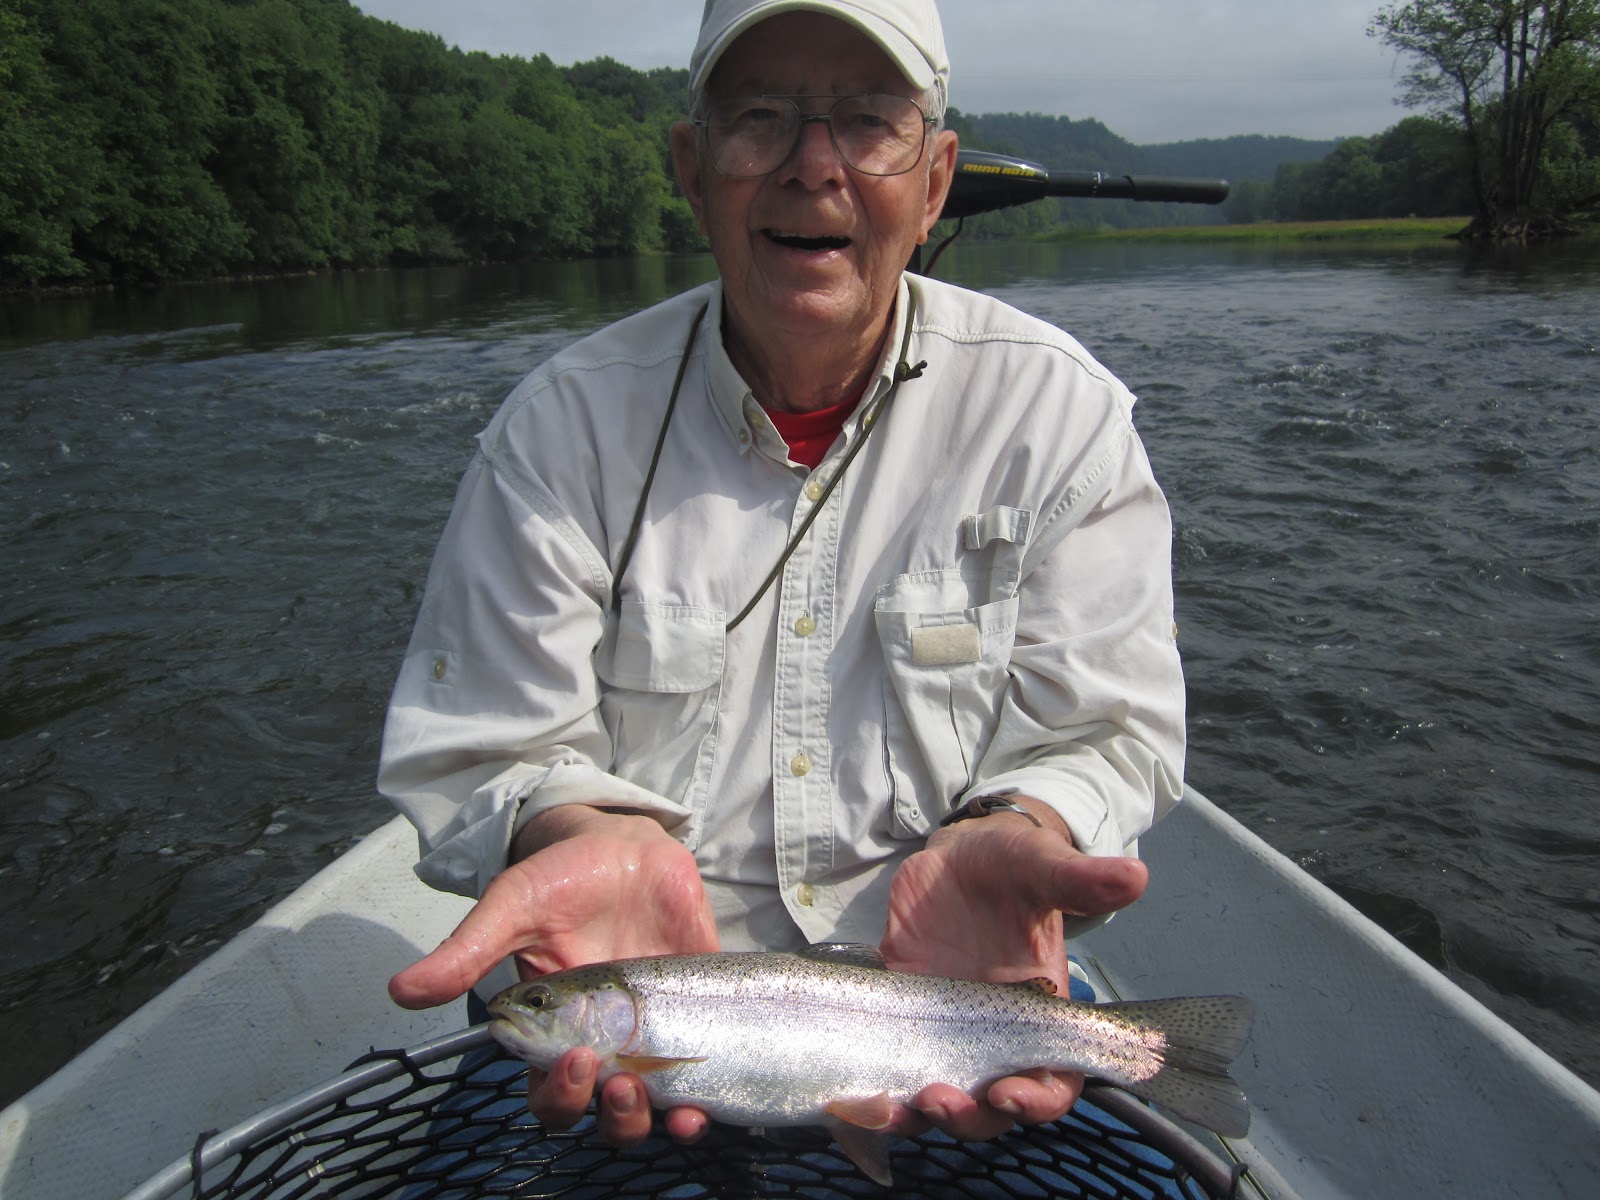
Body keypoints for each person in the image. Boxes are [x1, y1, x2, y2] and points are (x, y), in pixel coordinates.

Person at [378, 0, 1184, 1152]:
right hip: (638, 999)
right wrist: (563, 827)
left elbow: (1108, 731)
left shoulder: (1061, 417)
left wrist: (1029, 818)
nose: (813, 166)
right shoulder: (558, 433)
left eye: (867, 121)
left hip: (956, 995)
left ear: (936, 179)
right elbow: (479, 746)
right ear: (690, 167)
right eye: (760, 117)